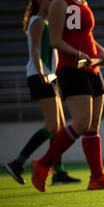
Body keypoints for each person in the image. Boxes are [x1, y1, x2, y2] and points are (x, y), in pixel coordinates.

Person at [31, 0, 104, 192]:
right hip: (72, 69)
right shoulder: (59, 3)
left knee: (92, 127)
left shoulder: (83, 2)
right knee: (81, 123)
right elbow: (56, 40)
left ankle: (97, 177)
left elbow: (84, 34)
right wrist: (78, 54)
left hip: (92, 68)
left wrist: (99, 49)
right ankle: (42, 164)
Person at [4, 0, 80, 186]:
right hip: (39, 76)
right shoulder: (37, 20)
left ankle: (59, 172)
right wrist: (43, 74)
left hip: (49, 76)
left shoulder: (46, 20)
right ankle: (17, 163)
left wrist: (53, 75)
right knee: (52, 125)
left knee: (60, 128)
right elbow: (35, 52)